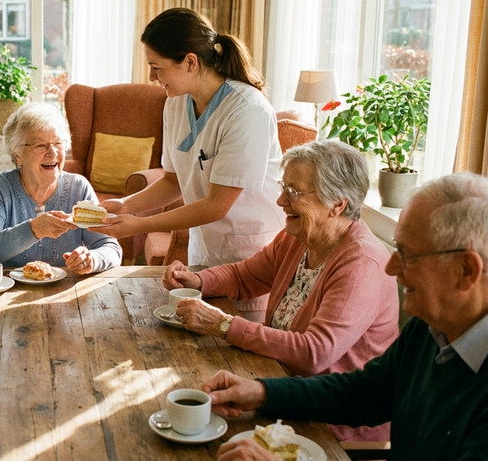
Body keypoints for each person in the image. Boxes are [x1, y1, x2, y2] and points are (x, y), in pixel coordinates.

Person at [204, 172, 488, 461]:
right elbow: (360, 394)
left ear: (466, 270)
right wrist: (261, 392)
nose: (390, 268)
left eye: (406, 254)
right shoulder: (428, 329)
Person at [163, 140, 398, 442]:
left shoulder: (361, 264)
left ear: (337, 204)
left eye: (294, 192)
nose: (280, 201)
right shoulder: (299, 237)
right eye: (283, 187)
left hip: (329, 427)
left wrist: (223, 325)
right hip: (280, 391)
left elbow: (313, 353)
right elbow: (244, 275)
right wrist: (197, 281)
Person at [96, 8, 283, 321]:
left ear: (190, 62)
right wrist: (125, 205)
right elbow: (173, 181)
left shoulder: (247, 110)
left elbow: (217, 205)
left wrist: (139, 225)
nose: (152, 77)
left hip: (249, 254)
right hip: (206, 254)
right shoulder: (175, 103)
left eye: (157, 67)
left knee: (244, 355)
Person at [0, 102, 122, 273]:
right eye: (40, 145)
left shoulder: (78, 187)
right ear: (17, 154)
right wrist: (34, 229)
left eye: (58, 143)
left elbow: (110, 248)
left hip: (65, 292)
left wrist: (92, 259)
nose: (53, 153)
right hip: (8, 289)